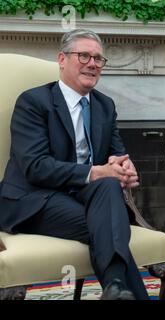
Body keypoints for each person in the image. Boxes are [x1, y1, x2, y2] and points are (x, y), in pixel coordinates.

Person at [0, 29, 148, 300]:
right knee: (109, 226)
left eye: (98, 59)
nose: (92, 63)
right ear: (62, 59)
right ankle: (116, 285)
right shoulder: (33, 102)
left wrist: (123, 169)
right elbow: (35, 166)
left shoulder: (105, 105)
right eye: (83, 56)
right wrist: (96, 172)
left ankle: (115, 289)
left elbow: (117, 155)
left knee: (108, 190)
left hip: (84, 198)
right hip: (34, 199)